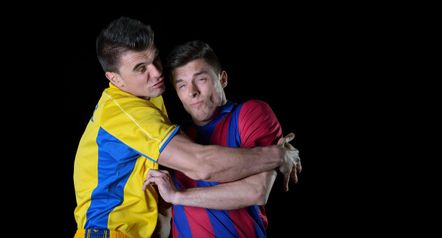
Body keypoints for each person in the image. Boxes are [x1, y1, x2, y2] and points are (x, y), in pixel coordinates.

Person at [73, 17, 300, 238]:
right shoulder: (126, 111)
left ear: (222, 79)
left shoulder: (148, 97)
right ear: (115, 79)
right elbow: (201, 164)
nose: (157, 72)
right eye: (141, 68)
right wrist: (278, 154)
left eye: (155, 59)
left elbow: (256, 189)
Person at [143, 40, 301, 237]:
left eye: (201, 79)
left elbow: (256, 190)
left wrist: (178, 196)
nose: (192, 91)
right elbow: (165, 216)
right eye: (182, 85)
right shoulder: (174, 139)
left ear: (223, 79)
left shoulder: (251, 113)